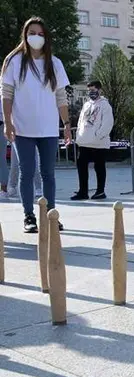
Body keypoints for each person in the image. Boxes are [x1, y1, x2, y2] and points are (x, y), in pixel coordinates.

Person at [2, 17, 70, 233]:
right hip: (22, 128)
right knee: (27, 172)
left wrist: (67, 124)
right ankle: (29, 216)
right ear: (25, 34)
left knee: (49, 173)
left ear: (46, 37)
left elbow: (61, 96)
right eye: (32, 33)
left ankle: (51, 215)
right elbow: (7, 94)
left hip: (48, 129)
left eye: (41, 34)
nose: (36, 37)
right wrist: (8, 122)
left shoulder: (55, 63)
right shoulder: (14, 61)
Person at [72, 80, 113, 200]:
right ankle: (83, 191)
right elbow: (81, 121)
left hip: (99, 143)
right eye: (89, 90)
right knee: (81, 166)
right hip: (84, 141)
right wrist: (79, 135)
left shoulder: (105, 105)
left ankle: (100, 191)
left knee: (99, 167)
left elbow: (108, 123)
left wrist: (98, 135)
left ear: (99, 90)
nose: (91, 93)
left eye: (93, 90)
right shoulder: (86, 105)